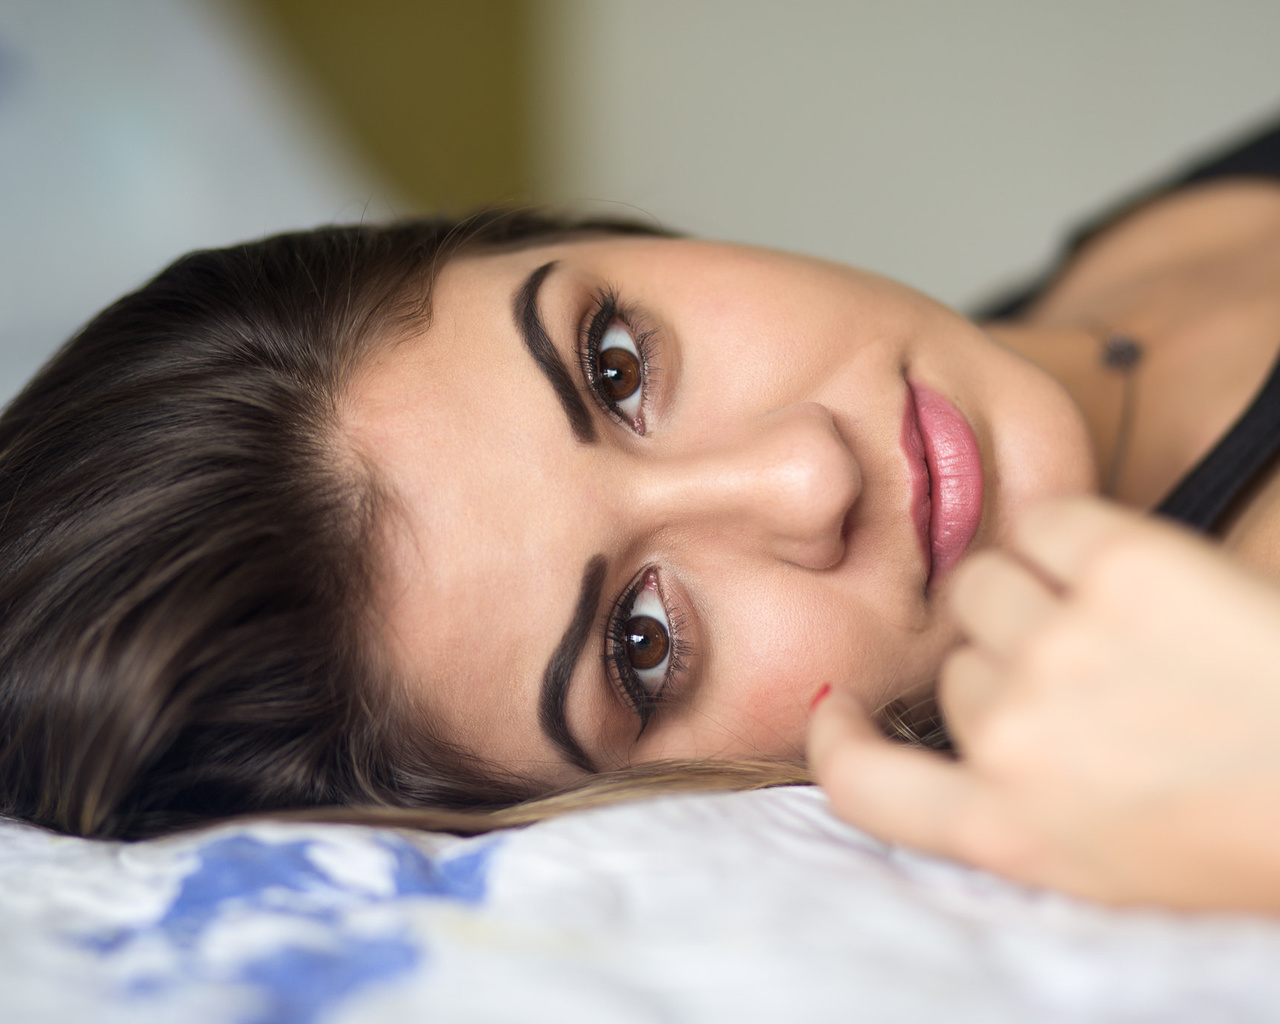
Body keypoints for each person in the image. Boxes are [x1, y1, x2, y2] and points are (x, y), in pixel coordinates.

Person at [1, 117, 1279, 915]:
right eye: (642, 643)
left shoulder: (1129, 264)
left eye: (614, 365)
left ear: (582, 233)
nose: (804, 479)